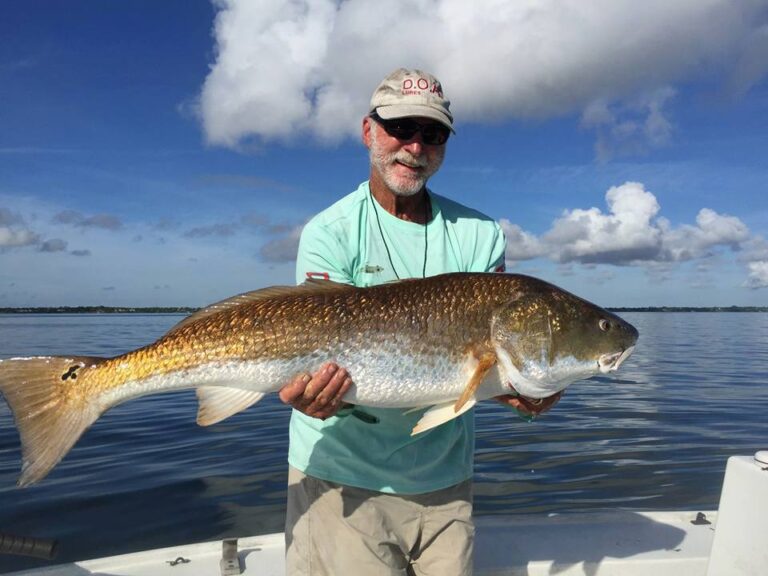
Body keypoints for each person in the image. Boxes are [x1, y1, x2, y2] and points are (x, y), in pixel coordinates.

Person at [278, 68, 561, 576]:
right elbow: (313, 347)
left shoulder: (480, 233)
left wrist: (529, 396)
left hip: (447, 484)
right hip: (341, 481)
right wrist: (313, 399)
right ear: (369, 130)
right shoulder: (329, 231)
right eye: (400, 128)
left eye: (432, 134)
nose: (415, 146)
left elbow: (484, 365)